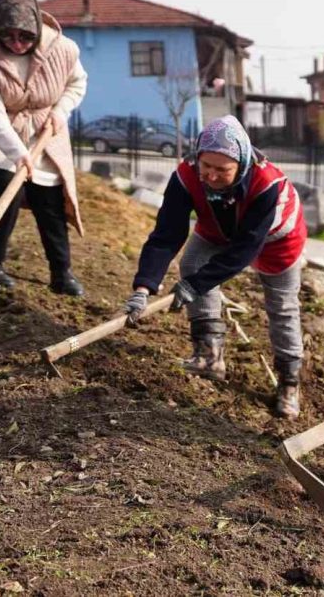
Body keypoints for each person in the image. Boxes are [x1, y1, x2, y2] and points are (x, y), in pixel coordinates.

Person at [123, 116, 308, 419]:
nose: (210, 175)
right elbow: (166, 234)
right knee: (192, 262)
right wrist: (143, 287)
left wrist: (195, 285)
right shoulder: (186, 175)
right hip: (218, 224)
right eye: (205, 166)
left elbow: (244, 250)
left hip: (276, 237)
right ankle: (210, 356)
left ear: (242, 163)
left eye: (222, 170)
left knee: (282, 306)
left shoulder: (267, 183)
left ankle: (289, 383)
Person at [0, 0, 88, 295]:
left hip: (44, 126)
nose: (16, 43)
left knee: (49, 199)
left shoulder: (63, 50)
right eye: (7, 35)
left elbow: (77, 84)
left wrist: (61, 110)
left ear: (37, 28)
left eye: (24, 36)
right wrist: (16, 153)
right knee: (2, 187)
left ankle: (61, 272)